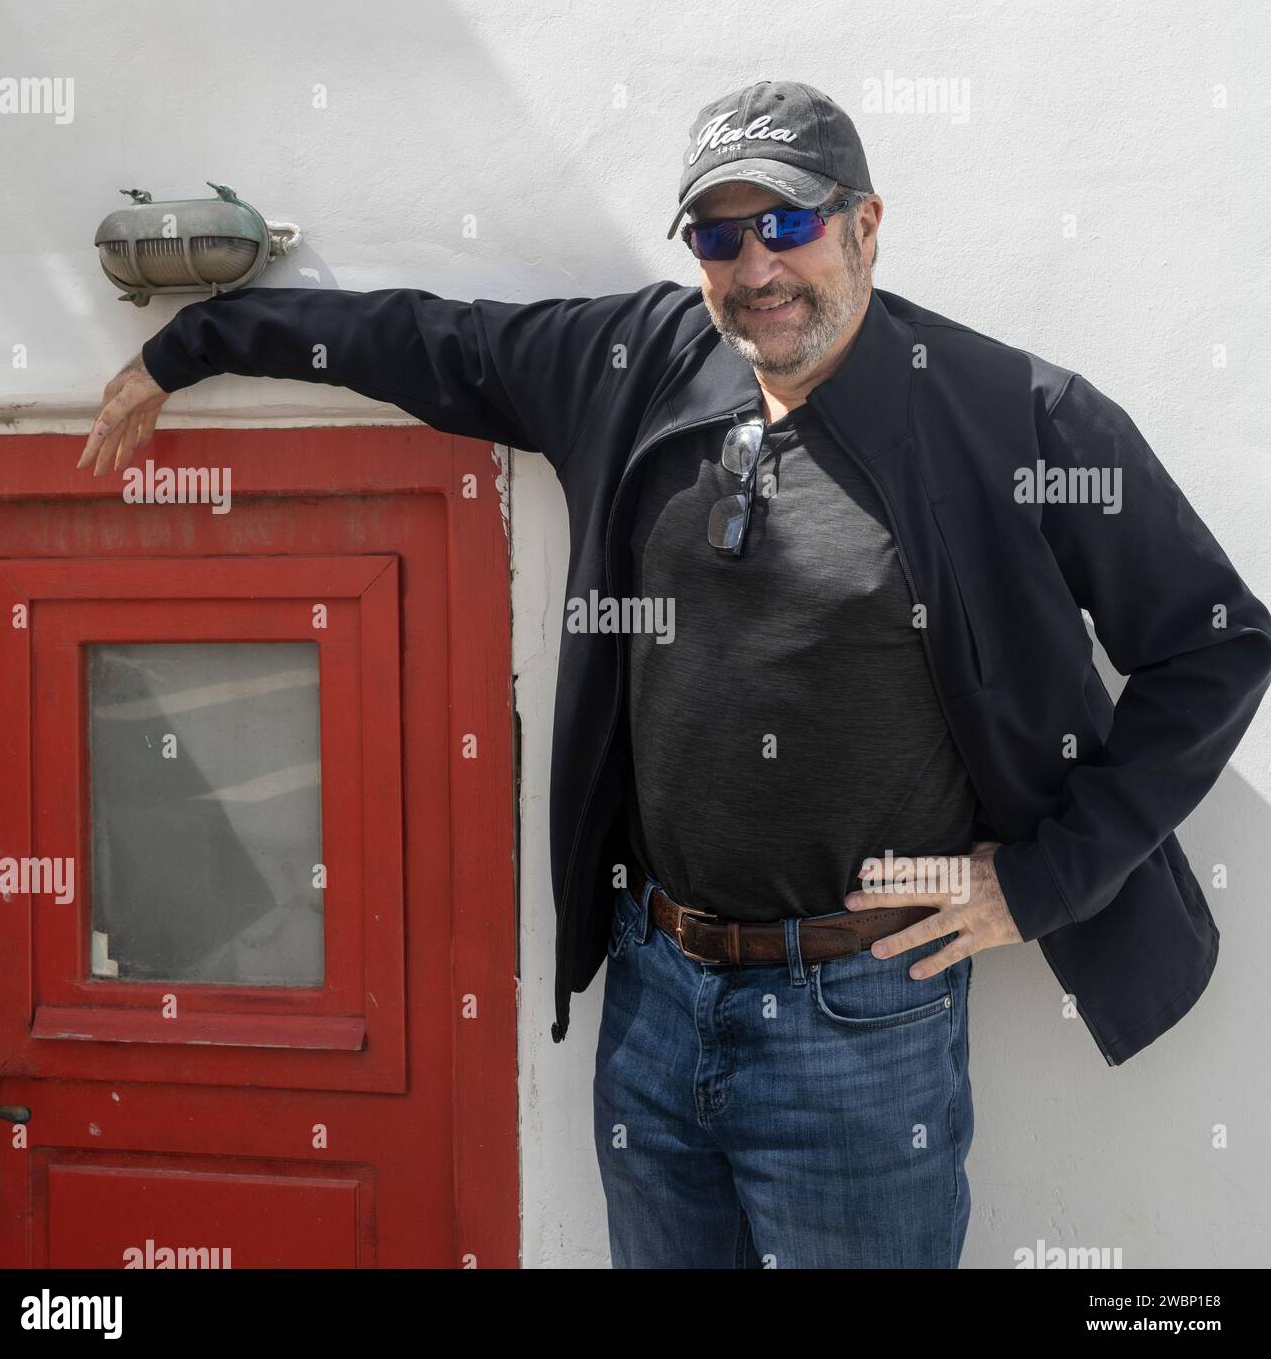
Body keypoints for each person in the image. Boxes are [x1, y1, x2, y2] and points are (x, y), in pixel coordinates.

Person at [79, 80, 1271, 1268]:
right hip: (655, 1004)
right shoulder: (635, 361)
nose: (755, 268)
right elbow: (426, 340)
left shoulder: (1013, 418)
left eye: (788, 224)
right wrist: (192, 344)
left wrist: (1042, 879)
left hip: (861, 1027)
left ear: (866, 223)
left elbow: (1214, 641)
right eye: (718, 234)